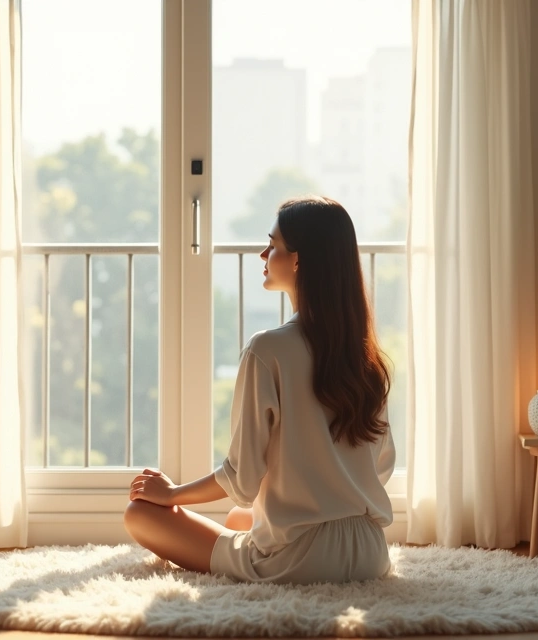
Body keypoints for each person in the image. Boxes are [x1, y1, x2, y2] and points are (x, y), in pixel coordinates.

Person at [123, 195, 395, 584]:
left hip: (298, 561)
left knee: (140, 515)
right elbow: (380, 467)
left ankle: (262, 550)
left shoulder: (268, 350)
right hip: (369, 550)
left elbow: (242, 478)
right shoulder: (367, 356)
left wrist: (172, 494)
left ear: (299, 260)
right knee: (239, 520)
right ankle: (273, 535)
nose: (262, 253)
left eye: (273, 245)